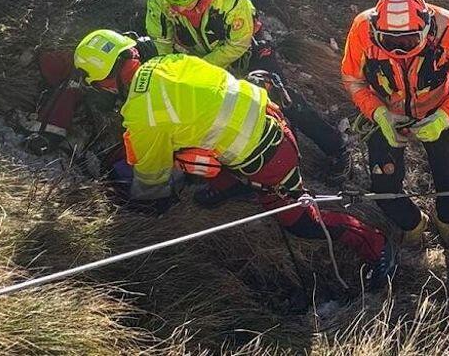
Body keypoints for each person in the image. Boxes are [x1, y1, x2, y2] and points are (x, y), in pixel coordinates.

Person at [72, 28, 395, 287]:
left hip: (270, 158)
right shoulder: (168, 62)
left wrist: (142, 204)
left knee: (301, 222)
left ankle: (376, 244)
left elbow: (151, 175)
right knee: (192, 145)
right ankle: (232, 185)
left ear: (105, 81)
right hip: (271, 121)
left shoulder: (141, 113)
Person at [23, 0, 342, 163]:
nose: (180, 9)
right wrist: (163, 70)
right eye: (174, 4)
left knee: (280, 95)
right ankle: (53, 126)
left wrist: (192, 70)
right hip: (185, 51)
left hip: (244, 50)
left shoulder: (231, 0)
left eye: (188, 4)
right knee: (120, 55)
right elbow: (160, 35)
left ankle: (334, 148)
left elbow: (236, 45)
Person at [340, 0, 449, 244]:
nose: (399, 49)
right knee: (383, 187)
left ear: (426, 28)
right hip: (386, 110)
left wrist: (443, 118)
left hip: (435, 109)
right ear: (376, 29)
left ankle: (446, 219)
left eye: (408, 41)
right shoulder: (362, 28)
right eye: (389, 41)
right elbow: (353, 79)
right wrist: (378, 113)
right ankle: (413, 224)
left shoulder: (448, 28)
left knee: (446, 176)